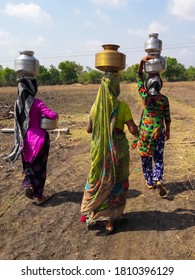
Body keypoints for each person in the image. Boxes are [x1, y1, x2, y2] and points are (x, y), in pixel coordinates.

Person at [80, 73, 138, 234]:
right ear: (115, 87)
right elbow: (133, 129)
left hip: (99, 150)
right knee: (116, 181)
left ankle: (94, 211)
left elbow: (88, 129)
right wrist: (138, 132)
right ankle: (110, 219)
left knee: (99, 179)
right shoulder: (122, 106)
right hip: (117, 151)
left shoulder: (95, 106)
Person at [5, 77, 58, 206]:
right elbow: (52, 116)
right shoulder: (37, 103)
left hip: (24, 142)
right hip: (39, 140)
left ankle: (29, 184)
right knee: (40, 169)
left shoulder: (17, 104)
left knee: (29, 166)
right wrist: (52, 114)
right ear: (32, 88)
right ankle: (39, 197)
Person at [132, 55, 171, 196]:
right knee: (158, 157)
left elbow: (138, 79)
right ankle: (158, 178)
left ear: (147, 85)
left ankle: (149, 182)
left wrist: (141, 63)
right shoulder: (164, 99)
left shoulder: (144, 96)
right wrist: (168, 132)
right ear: (160, 84)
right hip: (158, 132)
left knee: (145, 156)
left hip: (145, 133)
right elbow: (167, 118)